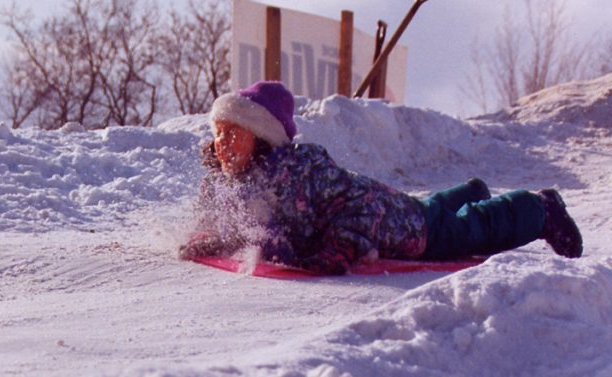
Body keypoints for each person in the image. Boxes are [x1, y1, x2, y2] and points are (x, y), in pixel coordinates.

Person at [180, 80, 583, 275]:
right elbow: (238, 224)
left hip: (396, 227)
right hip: (396, 208)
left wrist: (337, 250)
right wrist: (210, 238)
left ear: (264, 139)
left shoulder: (295, 176)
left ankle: (538, 208)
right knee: (427, 210)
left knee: (462, 232)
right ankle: (467, 192)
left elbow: (357, 209)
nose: (222, 144)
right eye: (218, 133)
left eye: (234, 133)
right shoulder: (232, 180)